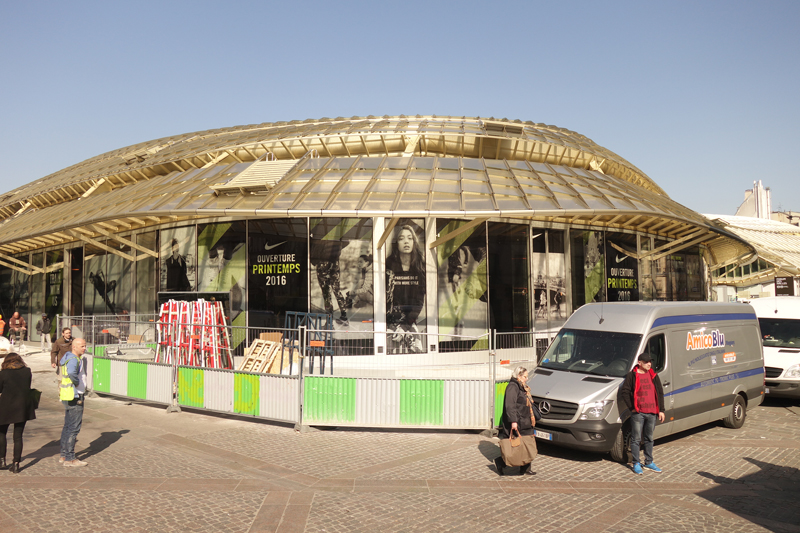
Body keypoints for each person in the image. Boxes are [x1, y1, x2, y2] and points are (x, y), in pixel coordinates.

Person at [619, 352, 666, 474]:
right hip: (638, 413)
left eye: (650, 362)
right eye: (646, 362)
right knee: (636, 439)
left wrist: (661, 410)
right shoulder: (632, 376)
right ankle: (636, 463)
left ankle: (649, 462)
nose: (649, 364)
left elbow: (660, 393)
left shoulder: (654, 376)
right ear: (639, 363)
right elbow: (625, 392)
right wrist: (632, 408)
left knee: (649, 438)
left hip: (652, 412)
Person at [386, 225, 426, 353]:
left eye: (410, 238)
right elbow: (385, 297)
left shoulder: (420, 266)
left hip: (409, 320)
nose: (406, 242)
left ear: (414, 242)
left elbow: (419, 302)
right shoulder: (389, 264)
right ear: (396, 243)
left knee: (416, 351)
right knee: (390, 352)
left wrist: (405, 326)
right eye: (401, 238)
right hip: (390, 319)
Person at [495, 366, 536, 476]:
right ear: (518, 376)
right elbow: (510, 406)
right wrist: (513, 421)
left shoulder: (521, 386)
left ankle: (526, 468)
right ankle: (501, 462)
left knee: (526, 443)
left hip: (524, 420)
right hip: (518, 420)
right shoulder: (512, 387)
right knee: (515, 445)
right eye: (525, 377)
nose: (526, 379)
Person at [0, 352, 36, 473]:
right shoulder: (27, 371)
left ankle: (2, 460)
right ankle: (16, 463)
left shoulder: (3, 373)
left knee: (1, 433)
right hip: (22, 407)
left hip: (5, 407)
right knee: (18, 436)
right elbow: (27, 386)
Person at [60, 337, 88, 467]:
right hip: (75, 396)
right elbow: (71, 372)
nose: (84, 348)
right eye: (82, 346)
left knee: (67, 426)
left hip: (68, 395)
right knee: (73, 428)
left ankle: (64, 455)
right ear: (74, 347)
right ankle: (70, 458)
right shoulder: (74, 360)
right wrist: (77, 383)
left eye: (85, 346)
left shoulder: (68, 358)